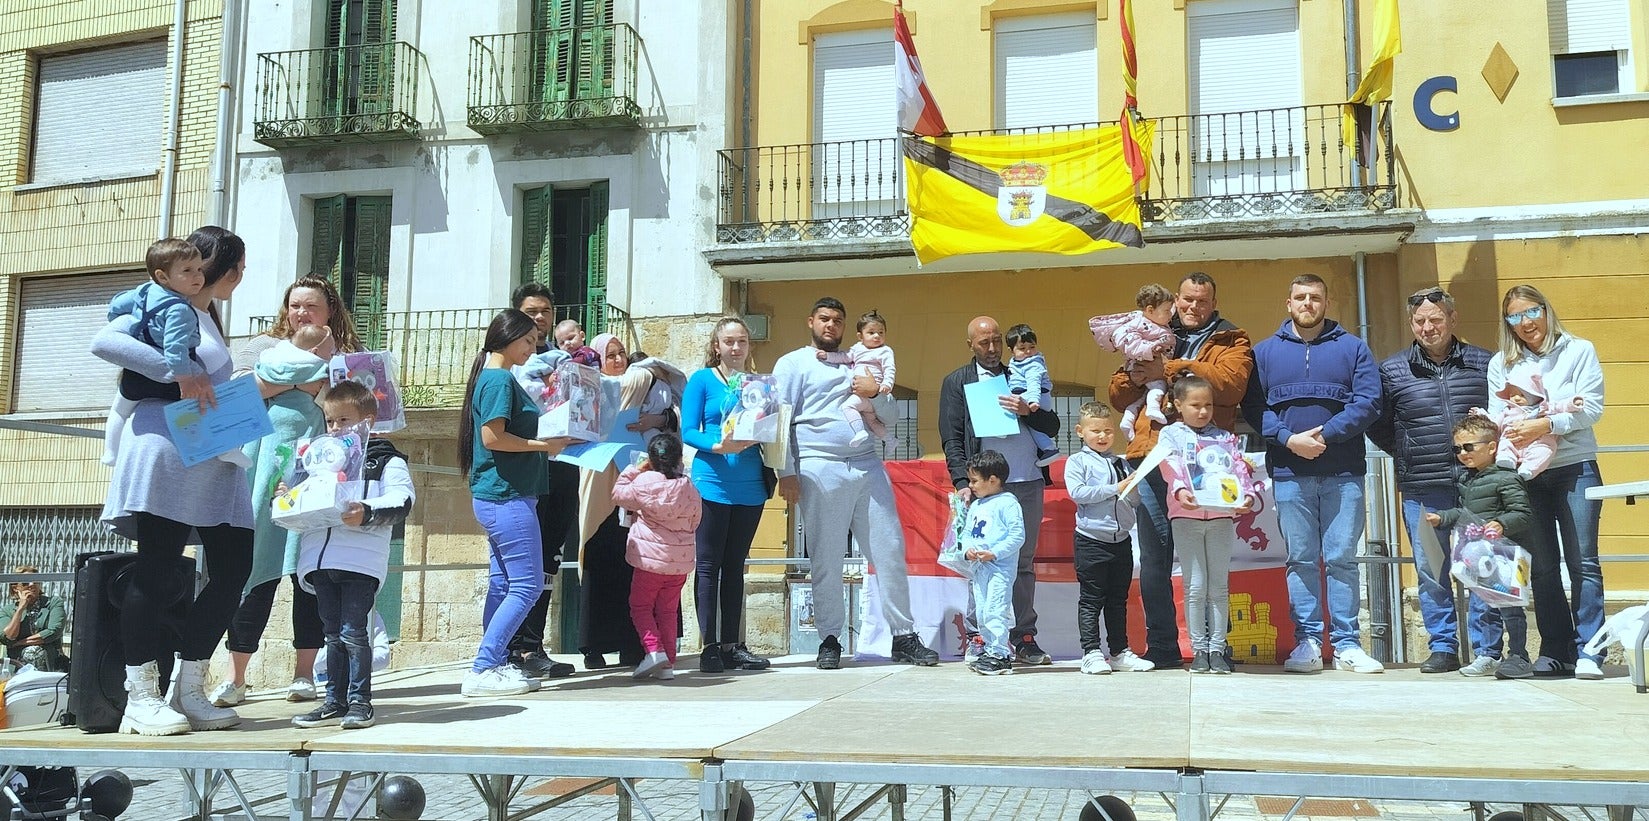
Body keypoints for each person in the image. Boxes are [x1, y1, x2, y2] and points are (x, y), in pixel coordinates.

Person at [91, 224, 254, 735]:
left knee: (233, 569)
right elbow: (104, 341)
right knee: (157, 570)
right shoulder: (156, 301)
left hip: (212, 451)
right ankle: (141, 697)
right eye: (237, 268)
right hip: (164, 447)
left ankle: (188, 688)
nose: (240, 277)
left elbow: (211, 383)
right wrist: (176, 370)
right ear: (215, 268)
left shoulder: (206, 313)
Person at [213, 276, 363, 709]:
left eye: (311, 306)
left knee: (309, 573)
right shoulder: (259, 348)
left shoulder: (347, 357)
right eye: (295, 305)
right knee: (254, 570)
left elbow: (351, 408)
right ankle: (234, 676)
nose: (302, 313)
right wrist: (310, 384)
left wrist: (293, 385)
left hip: (320, 470)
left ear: (329, 311)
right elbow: (239, 395)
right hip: (264, 470)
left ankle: (304, 674)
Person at [774, 297, 939, 669]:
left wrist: (874, 392)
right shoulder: (793, 363)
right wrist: (784, 472)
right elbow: (778, 419)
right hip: (819, 466)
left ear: (846, 326)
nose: (831, 325)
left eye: (837, 320)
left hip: (867, 463)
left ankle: (903, 635)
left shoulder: (862, 358)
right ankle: (830, 638)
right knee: (826, 556)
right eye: (824, 319)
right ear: (811, 322)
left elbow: (892, 415)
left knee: (890, 548)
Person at [1109, 272, 1251, 670]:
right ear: (1176, 298)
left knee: (1209, 567)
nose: (1193, 307)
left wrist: (1167, 368)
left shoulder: (1231, 338)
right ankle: (1164, 647)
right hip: (1154, 455)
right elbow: (1117, 393)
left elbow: (1231, 384)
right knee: (1155, 557)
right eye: (1187, 300)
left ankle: (1213, 646)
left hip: (1207, 463)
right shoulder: (1148, 329)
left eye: (1202, 301)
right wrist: (1136, 374)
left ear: (1213, 302)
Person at [1243, 274, 1383, 674]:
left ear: (1326, 302)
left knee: (1341, 559)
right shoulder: (1264, 353)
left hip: (1344, 472)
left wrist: (1326, 434)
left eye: (1315, 297)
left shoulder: (1353, 348)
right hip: (1289, 473)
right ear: (1288, 303)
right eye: (1300, 297)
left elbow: (1369, 401)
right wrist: (1289, 440)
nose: (1308, 303)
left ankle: (1347, 645)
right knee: (1300, 559)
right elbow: (1254, 409)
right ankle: (1305, 642)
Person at [1367, 287, 1493, 674]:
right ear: (1411, 325)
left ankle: (1488, 648)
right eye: (1420, 321)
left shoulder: (1484, 363)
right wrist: (1408, 451)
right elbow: (1379, 424)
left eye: (1436, 319)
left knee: (1482, 565)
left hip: (1479, 485)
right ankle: (1443, 647)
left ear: (1453, 320)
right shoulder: (1392, 371)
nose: (1428, 327)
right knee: (1431, 568)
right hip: (1423, 487)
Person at [1487, 285, 1606, 680]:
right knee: (1542, 567)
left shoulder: (1579, 350)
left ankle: (1591, 649)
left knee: (1583, 561)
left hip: (1575, 467)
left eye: (1531, 312)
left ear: (1545, 310)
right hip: (1526, 473)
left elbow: (1590, 408)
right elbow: (1496, 415)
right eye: (1514, 318)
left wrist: (1546, 423)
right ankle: (1557, 650)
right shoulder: (1502, 364)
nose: (1525, 324)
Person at [458, 309, 572, 697]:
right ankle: (484, 666)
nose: (532, 348)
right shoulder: (499, 379)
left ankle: (495, 661)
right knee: (525, 586)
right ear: (508, 338)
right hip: (506, 496)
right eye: (527, 341)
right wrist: (545, 445)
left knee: (504, 583)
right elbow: (493, 438)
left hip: (500, 495)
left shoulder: (492, 378)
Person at [288, 381, 414, 729]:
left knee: (354, 633)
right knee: (331, 635)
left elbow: (403, 501)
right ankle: (334, 700)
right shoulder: (316, 460)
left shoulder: (384, 460)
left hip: (359, 561)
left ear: (367, 422)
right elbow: (299, 498)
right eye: (330, 421)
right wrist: (287, 496)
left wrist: (367, 510)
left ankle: (361, 702)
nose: (335, 428)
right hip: (320, 560)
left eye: (343, 420)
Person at [938, 316, 1061, 666]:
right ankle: (980, 636)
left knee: (1022, 562)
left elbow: (1052, 425)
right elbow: (952, 435)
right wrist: (963, 482)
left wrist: (1028, 410)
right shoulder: (957, 382)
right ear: (970, 345)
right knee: (981, 562)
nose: (992, 349)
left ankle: (1023, 636)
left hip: (1026, 482)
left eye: (996, 342)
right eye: (983, 343)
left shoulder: (1021, 373)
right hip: (982, 490)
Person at [680, 318, 772, 673]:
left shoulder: (759, 384)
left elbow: (768, 426)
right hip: (712, 481)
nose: (736, 348)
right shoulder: (702, 380)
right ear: (716, 346)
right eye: (729, 342)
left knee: (735, 566)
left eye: (742, 341)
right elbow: (688, 430)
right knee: (708, 565)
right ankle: (709, 646)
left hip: (750, 484)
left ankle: (734, 644)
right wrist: (717, 444)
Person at [574, 332, 663, 670]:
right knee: (597, 555)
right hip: (597, 477)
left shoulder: (633, 383)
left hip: (630, 474)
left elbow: (647, 374)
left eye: (621, 353)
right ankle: (592, 644)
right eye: (608, 355)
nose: (617, 359)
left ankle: (631, 641)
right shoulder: (589, 388)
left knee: (633, 562)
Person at [1423, 415, 1535, 679]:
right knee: (1481, 608)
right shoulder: (1469, 480)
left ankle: (1519, 655)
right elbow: (1465, 513)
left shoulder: (1507, 478)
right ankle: (1488, 655)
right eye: (1457, 449)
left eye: (1468, 447)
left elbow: (1523, 513)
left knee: (1510, 609)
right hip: (1480, 558)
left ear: (1492, 447)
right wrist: (1443, 518)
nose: (1462, 453)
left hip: (1504, 557)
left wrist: (1501, 523)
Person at [1159, 376, 1258, 675]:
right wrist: (1180, 492)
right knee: (1195, 586)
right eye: (1195, 405)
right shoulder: (1170, 435)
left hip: (1220, 517)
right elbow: (1170, 466)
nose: (1203, 412)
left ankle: (1217, 649)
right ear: (1178, 405)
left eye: (1208, 405)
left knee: (1219, 586)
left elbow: (1239, 469)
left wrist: (1248, 496)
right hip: (1186, 516)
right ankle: (1198, 650)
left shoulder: (1225, 438)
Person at [503, 282, 577, 681]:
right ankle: (509, 646)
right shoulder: (502, 363)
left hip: (564, 464)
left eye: (546, 311)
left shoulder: (563, 360)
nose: (540, 318)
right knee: (519, 561)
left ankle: (533, 644)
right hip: (525, 468)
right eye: (532, 311)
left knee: (550, 557)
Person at [100, 238, 227, 466]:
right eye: (187, 271)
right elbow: (176, 349)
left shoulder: (145, 291)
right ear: (162, 276)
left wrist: (116, 316)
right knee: (204, 402)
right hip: (175, 373)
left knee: (120, 409)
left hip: (136, 372)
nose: (197, 276)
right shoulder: (180, 310)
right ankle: (224, 448)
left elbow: (118, 303)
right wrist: (186, 380)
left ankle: (111, 452)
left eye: (199, 269)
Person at [1062, 402, 1153, 675]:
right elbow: (1078, 493)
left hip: (1121, 540)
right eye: (1095, 431)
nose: (1102, 437)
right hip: (1091, 540)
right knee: (1091, 599)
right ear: (1080, 431)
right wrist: (1116, 488)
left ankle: (1119, 652)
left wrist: (1133, 487)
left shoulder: (1122, 463)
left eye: (1108, 431)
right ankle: (1090, 652)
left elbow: (1133, 500)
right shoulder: (1076, 461)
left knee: (1117, 600)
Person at [611, 434, 702, 681]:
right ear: (678, 459)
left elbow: (618, 494)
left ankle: (654, 650)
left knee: (640, 607)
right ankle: (667, 665)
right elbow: (696, 520)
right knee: (668, 610)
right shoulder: (690, 488)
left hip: (649, 560)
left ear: (650, 459)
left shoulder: (645, 481)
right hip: (679, 562)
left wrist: (633, 470)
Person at [959, 451, 1025, 676]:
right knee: (983, 612)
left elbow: (1017, 536)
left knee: (995, 610)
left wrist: (994, 553)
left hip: (999, 570)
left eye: (975, 480)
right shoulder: (977, 506)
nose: (971, 485)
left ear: (993, 480)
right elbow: (968, 532)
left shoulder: (1008, 504)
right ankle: (990, 650)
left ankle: (1001, 654)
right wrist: (967, 549)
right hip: (979, 569)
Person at [1089, 284, 1177, 438]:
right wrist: (1148, 350)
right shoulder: (1138, 322)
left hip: (1147, 365)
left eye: (1171, 310)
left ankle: (1128, 421)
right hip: (1142, 363)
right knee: (1159, 386)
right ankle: (1153, 409)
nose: (1170, 314)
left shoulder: (1159, 320)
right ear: (1150, 310)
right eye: (1167, 311)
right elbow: (1125, 339)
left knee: (1139, 400)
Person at [817, 309, 900, 449]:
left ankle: (859, 431)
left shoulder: (885, 351)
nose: (876, 336)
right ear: (860, 336)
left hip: (875, 392)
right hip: (863, 395)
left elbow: (890, 368)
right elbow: (844, 357)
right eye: (871, 332)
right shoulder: (857, 349)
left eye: (881, 333)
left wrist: (887, 383)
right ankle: (890, 440)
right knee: (872, 421)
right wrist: (828, 356)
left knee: (848, 406)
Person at [1485, 374, 1583, 481]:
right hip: (1513, 439)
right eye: (1513, 395)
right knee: (1504, 443)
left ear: (1534, 396)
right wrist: (1481, 414)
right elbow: (1494, 423)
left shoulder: (1543, 408)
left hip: (1539, 442)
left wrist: (1573, 403)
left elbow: (1560, 406)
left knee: (1543, 451)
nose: (1517, 398)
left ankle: (1529, 468)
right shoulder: (1507, 411)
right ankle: (1506, 458)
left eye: (1522, 395)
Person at [1005, 323, 1061, 466]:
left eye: (1032, 347)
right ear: (1011, 350)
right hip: (1031, 396)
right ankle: (1049, 448)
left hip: (1037, 397)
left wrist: (1033, 401)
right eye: (1022, 348)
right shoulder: (1016, 364)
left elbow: (1033, 382)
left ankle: (1000, 427)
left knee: (1009, 402)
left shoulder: (1033, 364)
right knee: (1033, 428)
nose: (1028, 352)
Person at [2, 567, 68, 673]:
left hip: (49, 666)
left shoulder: (53, 603)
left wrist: (19, 643)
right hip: (17, 667)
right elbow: (7, 638)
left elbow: (53, 631)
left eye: (35, 581)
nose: (32, 585)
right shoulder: (7, 611)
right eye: (25, 583)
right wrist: (20, 609)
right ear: (16, 588)